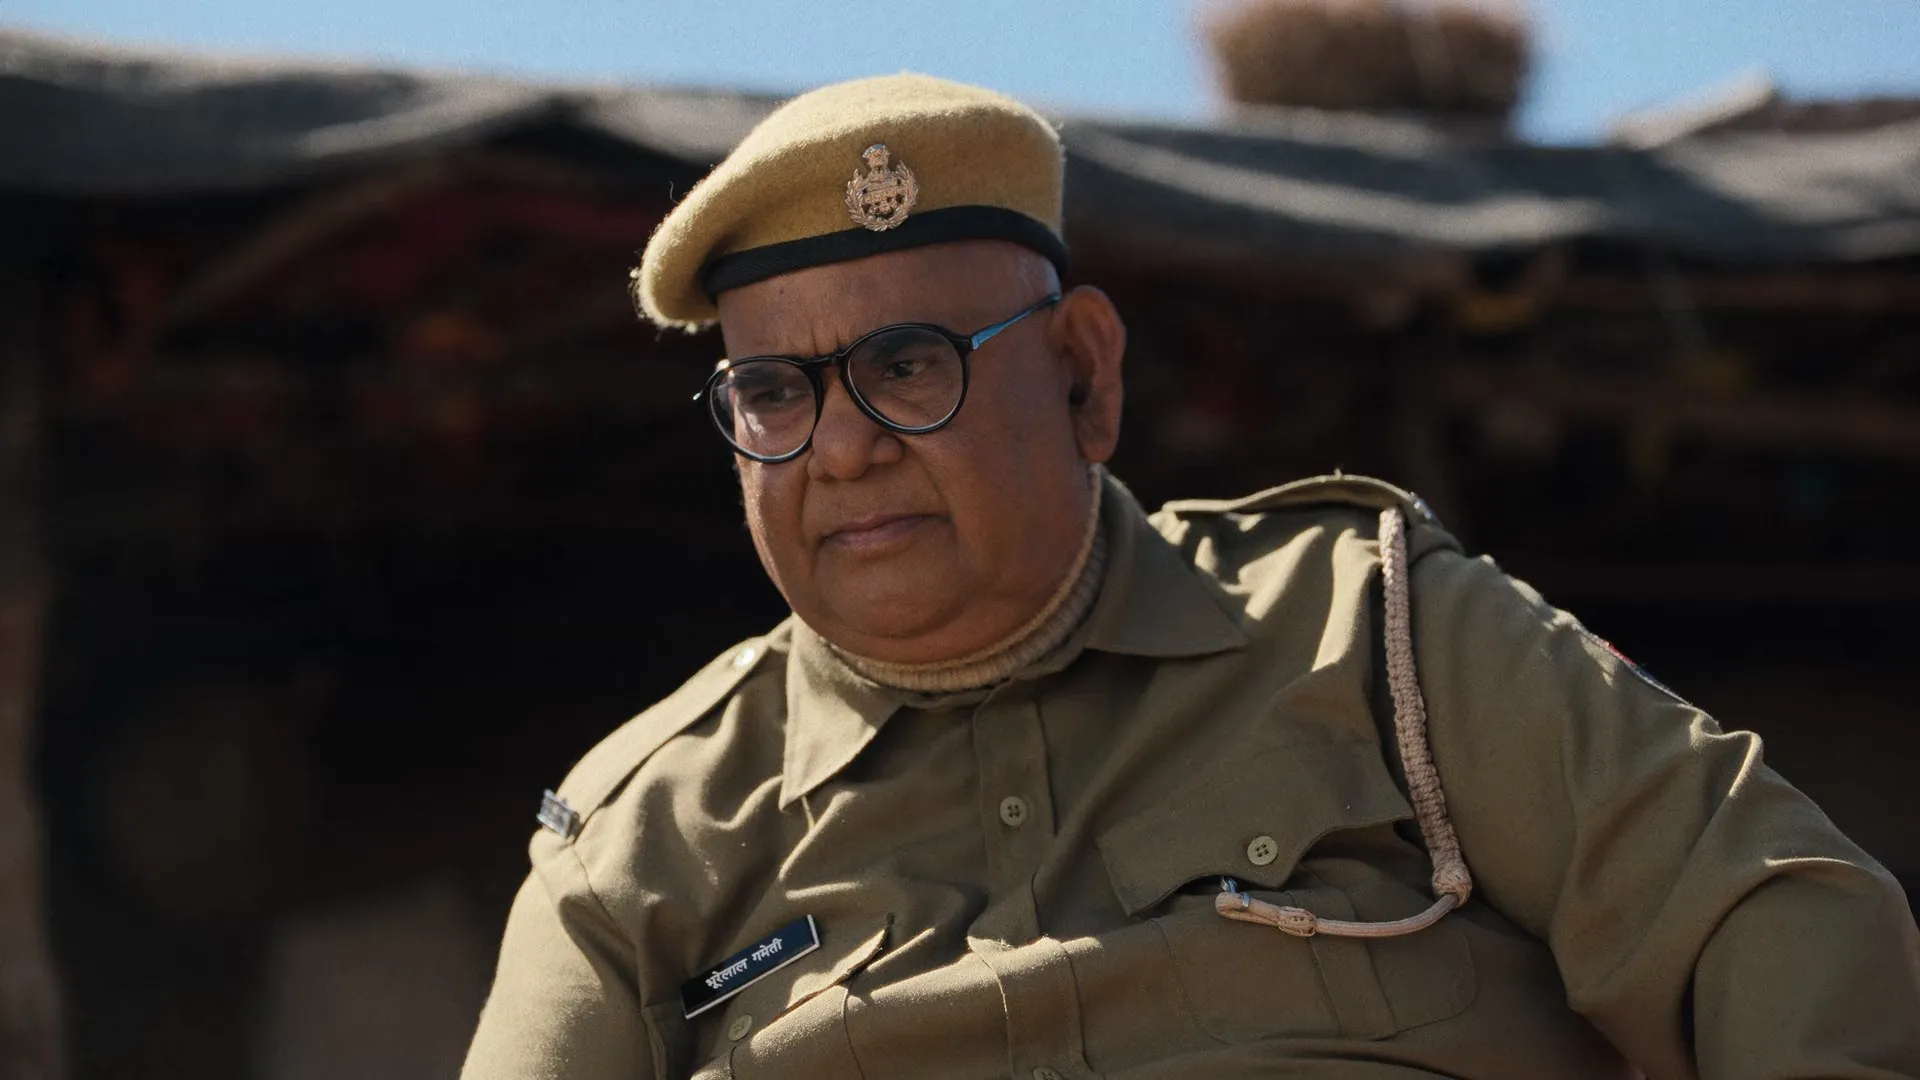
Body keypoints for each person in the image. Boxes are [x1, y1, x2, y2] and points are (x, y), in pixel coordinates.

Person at [461, 74, 1920, 1080]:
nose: (840, 449)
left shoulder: (1379, 630)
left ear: (1083, 375)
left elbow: (1774, 914)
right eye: (774, 393)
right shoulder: (641, 847)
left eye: (906, 366)